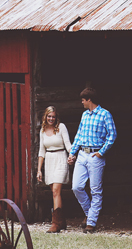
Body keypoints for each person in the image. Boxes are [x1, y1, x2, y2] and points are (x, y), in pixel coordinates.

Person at [67, 86, 116, 233]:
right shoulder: (84, 115)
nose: (82, 102)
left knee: (95, 190)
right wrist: (72, 153)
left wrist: (101, 152)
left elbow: (112, 135)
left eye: (83, 100)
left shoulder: (105, 114)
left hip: (96, 155)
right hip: (82, 154)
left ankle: (91, 223)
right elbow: (78, 136)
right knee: (76, 186)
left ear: (89, 100)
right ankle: (90, 214)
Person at [36, 105, 72, 232]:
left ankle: (55, 223)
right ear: (45, 117)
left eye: (53, 116)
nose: (51, 118)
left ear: (56, 117)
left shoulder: (61, 127)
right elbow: (41, 151)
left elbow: (68, 144)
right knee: (55, 193)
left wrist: (71, 155)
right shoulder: (43, 130)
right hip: (49, 161)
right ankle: (61, 221)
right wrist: (39, 170)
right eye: (49, 116)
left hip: (61, 158)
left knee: (56, 190)